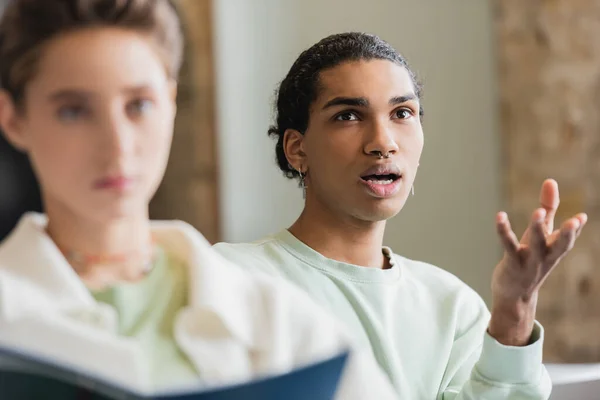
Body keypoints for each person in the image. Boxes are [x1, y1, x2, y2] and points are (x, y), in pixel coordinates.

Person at [0, 3, 397, 398]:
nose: (117, 147)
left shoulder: (281, 324)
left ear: (170, 102)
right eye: (73, 111)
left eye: (139, 105)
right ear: (13, 118)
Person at [214, 32, 588, 399]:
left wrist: (515, 310)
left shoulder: (452, 307)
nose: (383, 142)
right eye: (348, 115)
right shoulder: (230, 278)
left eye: (402, 113)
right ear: (297, 149)